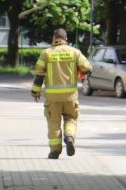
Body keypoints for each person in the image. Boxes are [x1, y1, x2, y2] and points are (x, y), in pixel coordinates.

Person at [31, 28, 91, 160]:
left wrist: (35, 91)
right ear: (66, 39)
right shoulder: (75, 52)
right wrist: (80, 71)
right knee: (71, 119)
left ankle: (55, 151)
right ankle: (69, 137)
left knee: (54, 123)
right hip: (70, 96)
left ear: (54, 38)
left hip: (52, 98)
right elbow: (87, 68)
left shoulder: (46, 53)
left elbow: (39, 74)